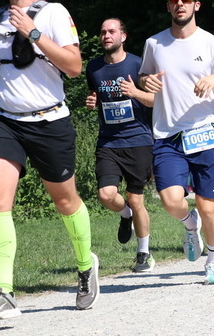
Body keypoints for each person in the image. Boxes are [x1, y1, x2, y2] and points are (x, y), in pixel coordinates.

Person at [0, 0, 99, 321]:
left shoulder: (54, 13)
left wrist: (35, 31)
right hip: (4, 119)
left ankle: (85, 266)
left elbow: (73, 66)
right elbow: (12, 64)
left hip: (49, 121)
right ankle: (4, 293)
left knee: (65, 201)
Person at [138, 0, 214, 284]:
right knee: (171, 200)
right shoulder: (154, 43)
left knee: (208, 206)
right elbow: (143, 76)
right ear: (168, 6)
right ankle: (188, 222)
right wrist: (146, 81)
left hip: (204, 132)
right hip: (168, 135)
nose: (179, 4)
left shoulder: (212, 43)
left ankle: (213, 260)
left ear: (197, 5)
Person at [85, 18, 156, 273]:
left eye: (112, 31)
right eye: (103, 32)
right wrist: (92, 100)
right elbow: (95, 94)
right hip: (109, 141)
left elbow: (155, 100)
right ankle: (125, 214)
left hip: (138, 140)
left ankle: (144, 253)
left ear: (123, 36)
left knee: (137, 199)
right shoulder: (93, 67)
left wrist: (134, 92)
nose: (106, 35)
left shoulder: (138, 65)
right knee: (106, 195)